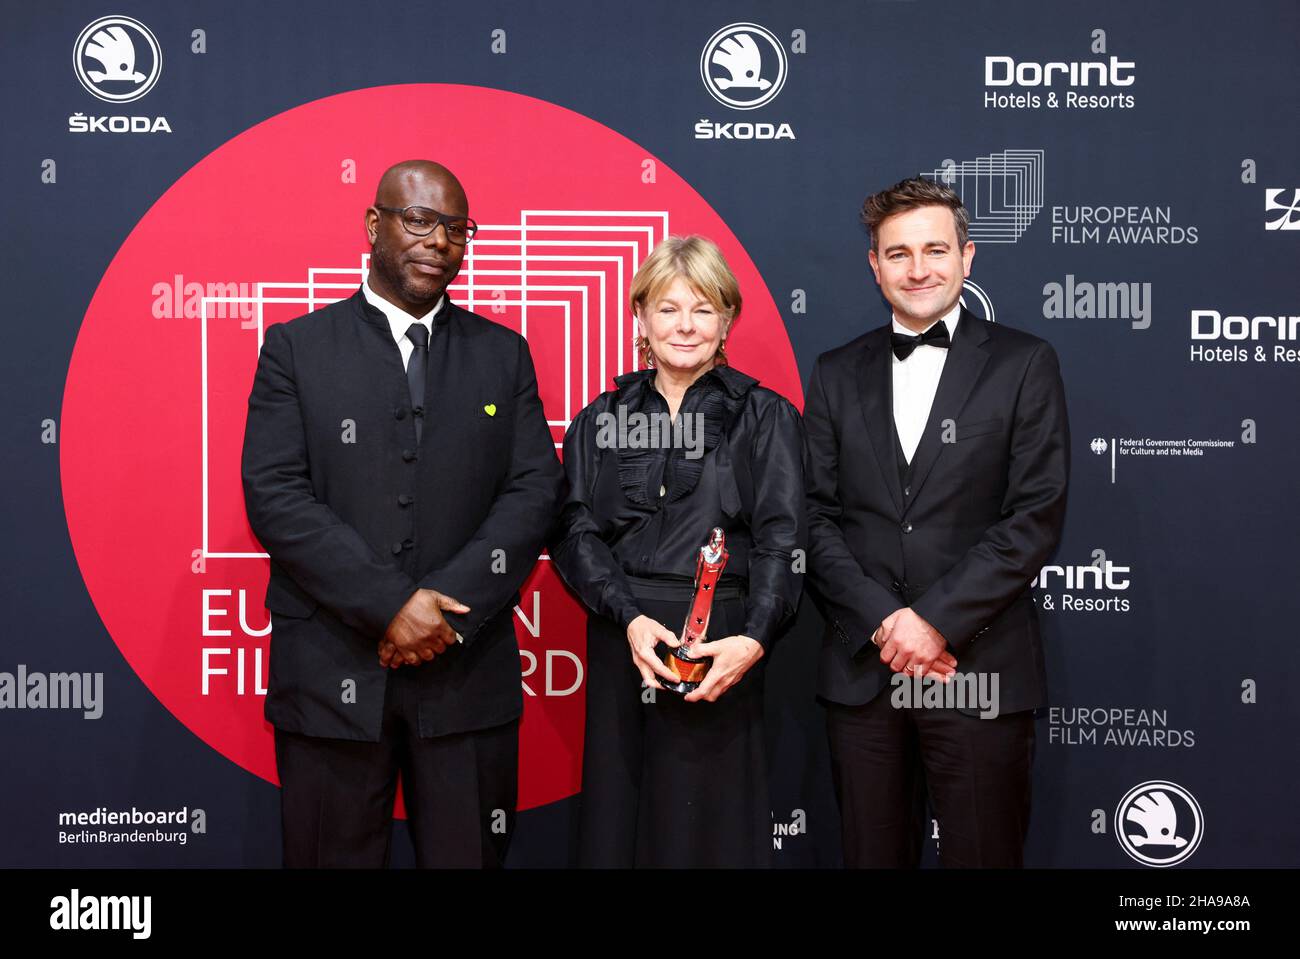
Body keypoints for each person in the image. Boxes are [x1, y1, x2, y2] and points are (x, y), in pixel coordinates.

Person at [241, 160, 563, 868]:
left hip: (465, 678)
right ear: (373, 224)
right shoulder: (296, 348)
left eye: (456, 228)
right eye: (419, 220)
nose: (439, 241)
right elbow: (276, 494)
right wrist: (390, 605)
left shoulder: (502, 355)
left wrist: (443, 614)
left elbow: (535, 491)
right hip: (330, 676)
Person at [804, 177, 1069, 868]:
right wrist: (886, 622)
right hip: (865, 671)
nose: (917, 268)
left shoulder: (1024, 363)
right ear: (874, 265)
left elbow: (1034, 515)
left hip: (977, 668)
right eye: (898, 253)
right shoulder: (835, 372)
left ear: (968, 256)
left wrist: (933, 623)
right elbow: (814, 517)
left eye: (934, 250)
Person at [550, 235, 805, 867]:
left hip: (723, 651)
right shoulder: (599, 417)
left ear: (727, 321)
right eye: (668, 308)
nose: (685, 326)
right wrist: (628, 618)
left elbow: (783, 539)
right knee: (617, 822)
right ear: (639, 316)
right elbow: (573, 531)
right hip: (623, 639)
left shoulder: (766, 418)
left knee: (708, 832)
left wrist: (753, 639)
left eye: (703, 308)